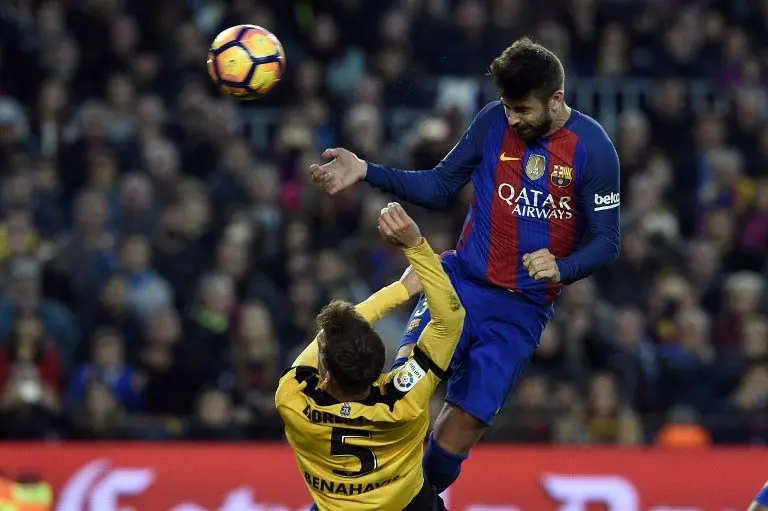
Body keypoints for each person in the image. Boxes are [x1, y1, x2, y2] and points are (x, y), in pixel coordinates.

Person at [310, 37, 621, 492]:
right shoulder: (493, 121)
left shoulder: (593, 149)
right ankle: (342, 503)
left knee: (464, 427)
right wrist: (367, 171)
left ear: (556, 100)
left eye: (523, 110)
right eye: (507, 106)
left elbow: (608, 241)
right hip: (456, 287)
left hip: (521, 311)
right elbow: (439, 186)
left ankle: (419, 501)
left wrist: (563, 267)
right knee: (400, 398)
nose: (513, 118)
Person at [275, 202, 465, 510]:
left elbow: (320, 339)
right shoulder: (403, 395)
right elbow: (450, 319)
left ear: (328, 372)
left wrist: (398, 291)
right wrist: (416, 246)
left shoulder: (294, 399)